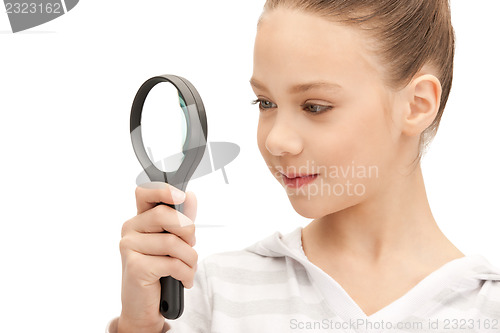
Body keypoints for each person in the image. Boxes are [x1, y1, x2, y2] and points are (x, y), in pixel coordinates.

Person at [107, 0, 500, 332]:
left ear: (416, 106)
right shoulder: (217, 291)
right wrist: (138, 325)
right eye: (265, 103)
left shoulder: (488, 311)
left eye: (315, 106)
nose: (276, 140)